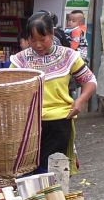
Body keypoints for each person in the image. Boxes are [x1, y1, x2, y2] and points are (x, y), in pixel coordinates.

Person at [12, 11, 97, 172]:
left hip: (59, 123)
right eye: (33, 40)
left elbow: (90, 81)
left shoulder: (67, 56)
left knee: (53, 174)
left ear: (51, 34)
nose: (38, 45)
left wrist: (80, 101)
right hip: (29, 126)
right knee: (28, 173)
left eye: (42, 39)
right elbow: (8, 87)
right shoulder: (20, 60)